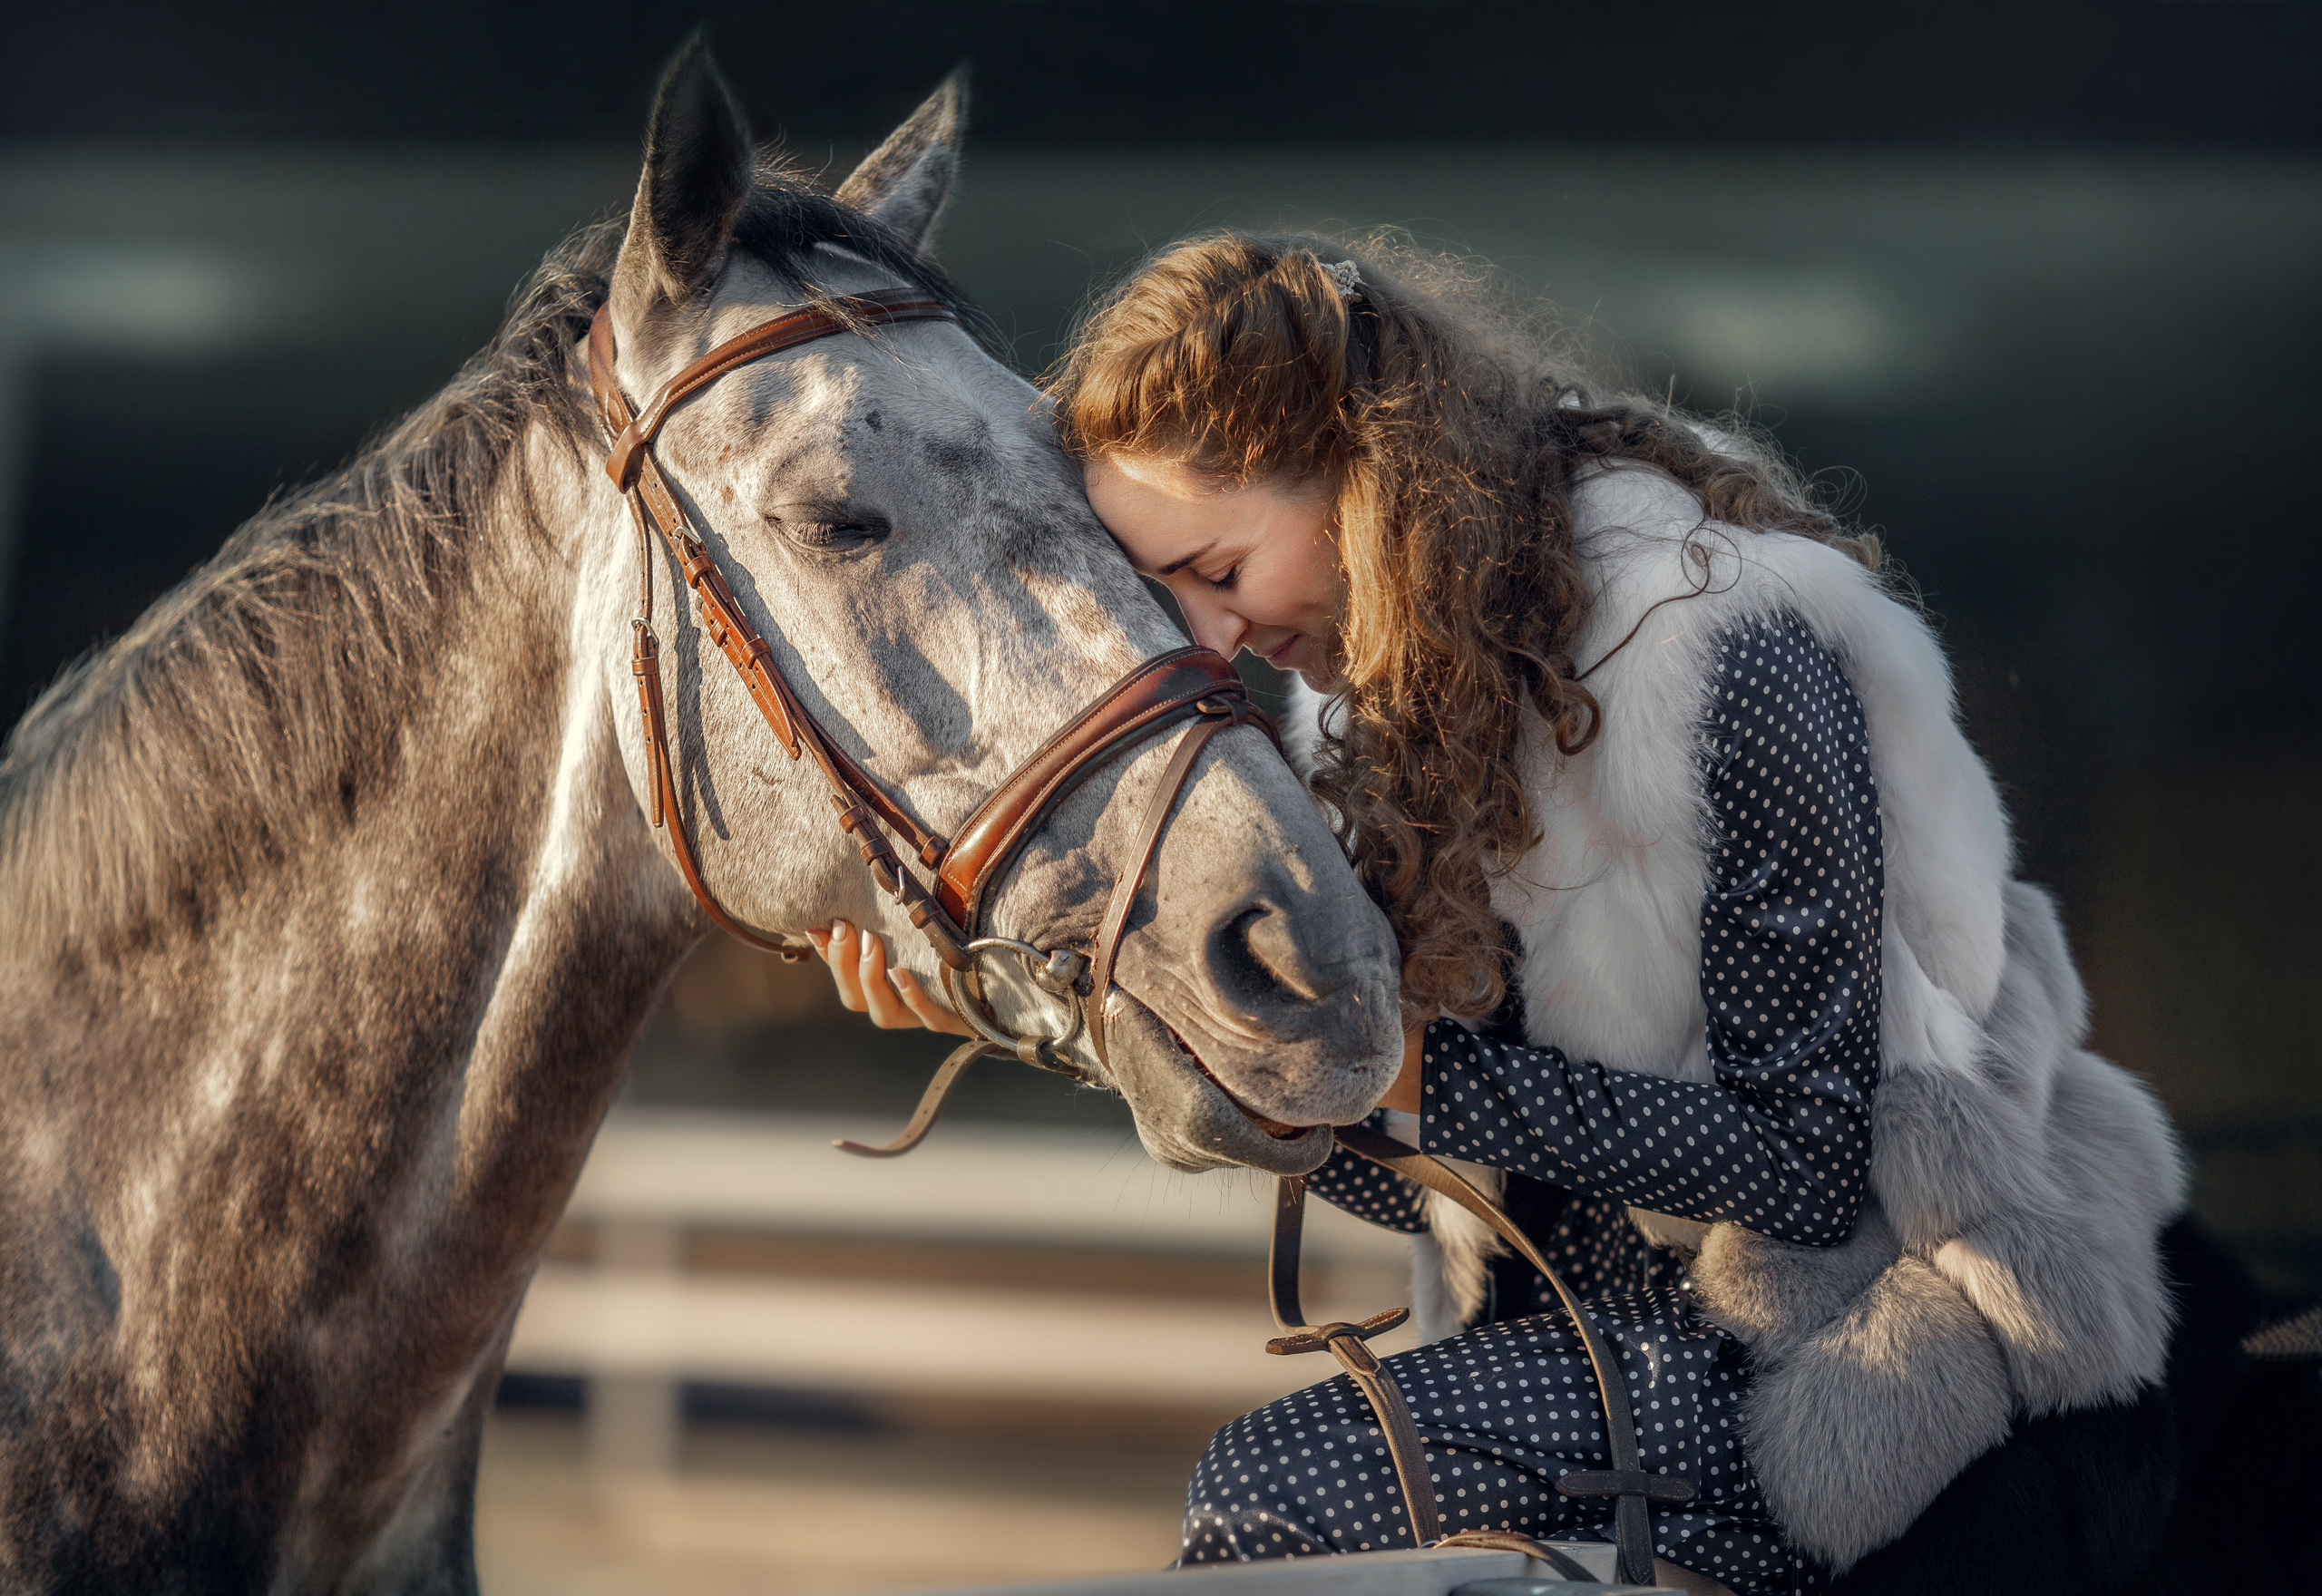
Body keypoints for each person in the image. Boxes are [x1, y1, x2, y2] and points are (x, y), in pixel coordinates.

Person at [811, 232, 2184, 1592]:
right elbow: (1425, 1179)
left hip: (1845, 1351)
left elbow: (1808, 1172)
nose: (1209, 640)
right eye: (1168, 596)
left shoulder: (1722, 652)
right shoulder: (1379, 706)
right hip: (1564, 1334)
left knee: (1280, 1494)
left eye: (1218, 572)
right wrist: (1090, 1029)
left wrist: (1415, 1070)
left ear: (1369, 478)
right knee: (1290, 1500)